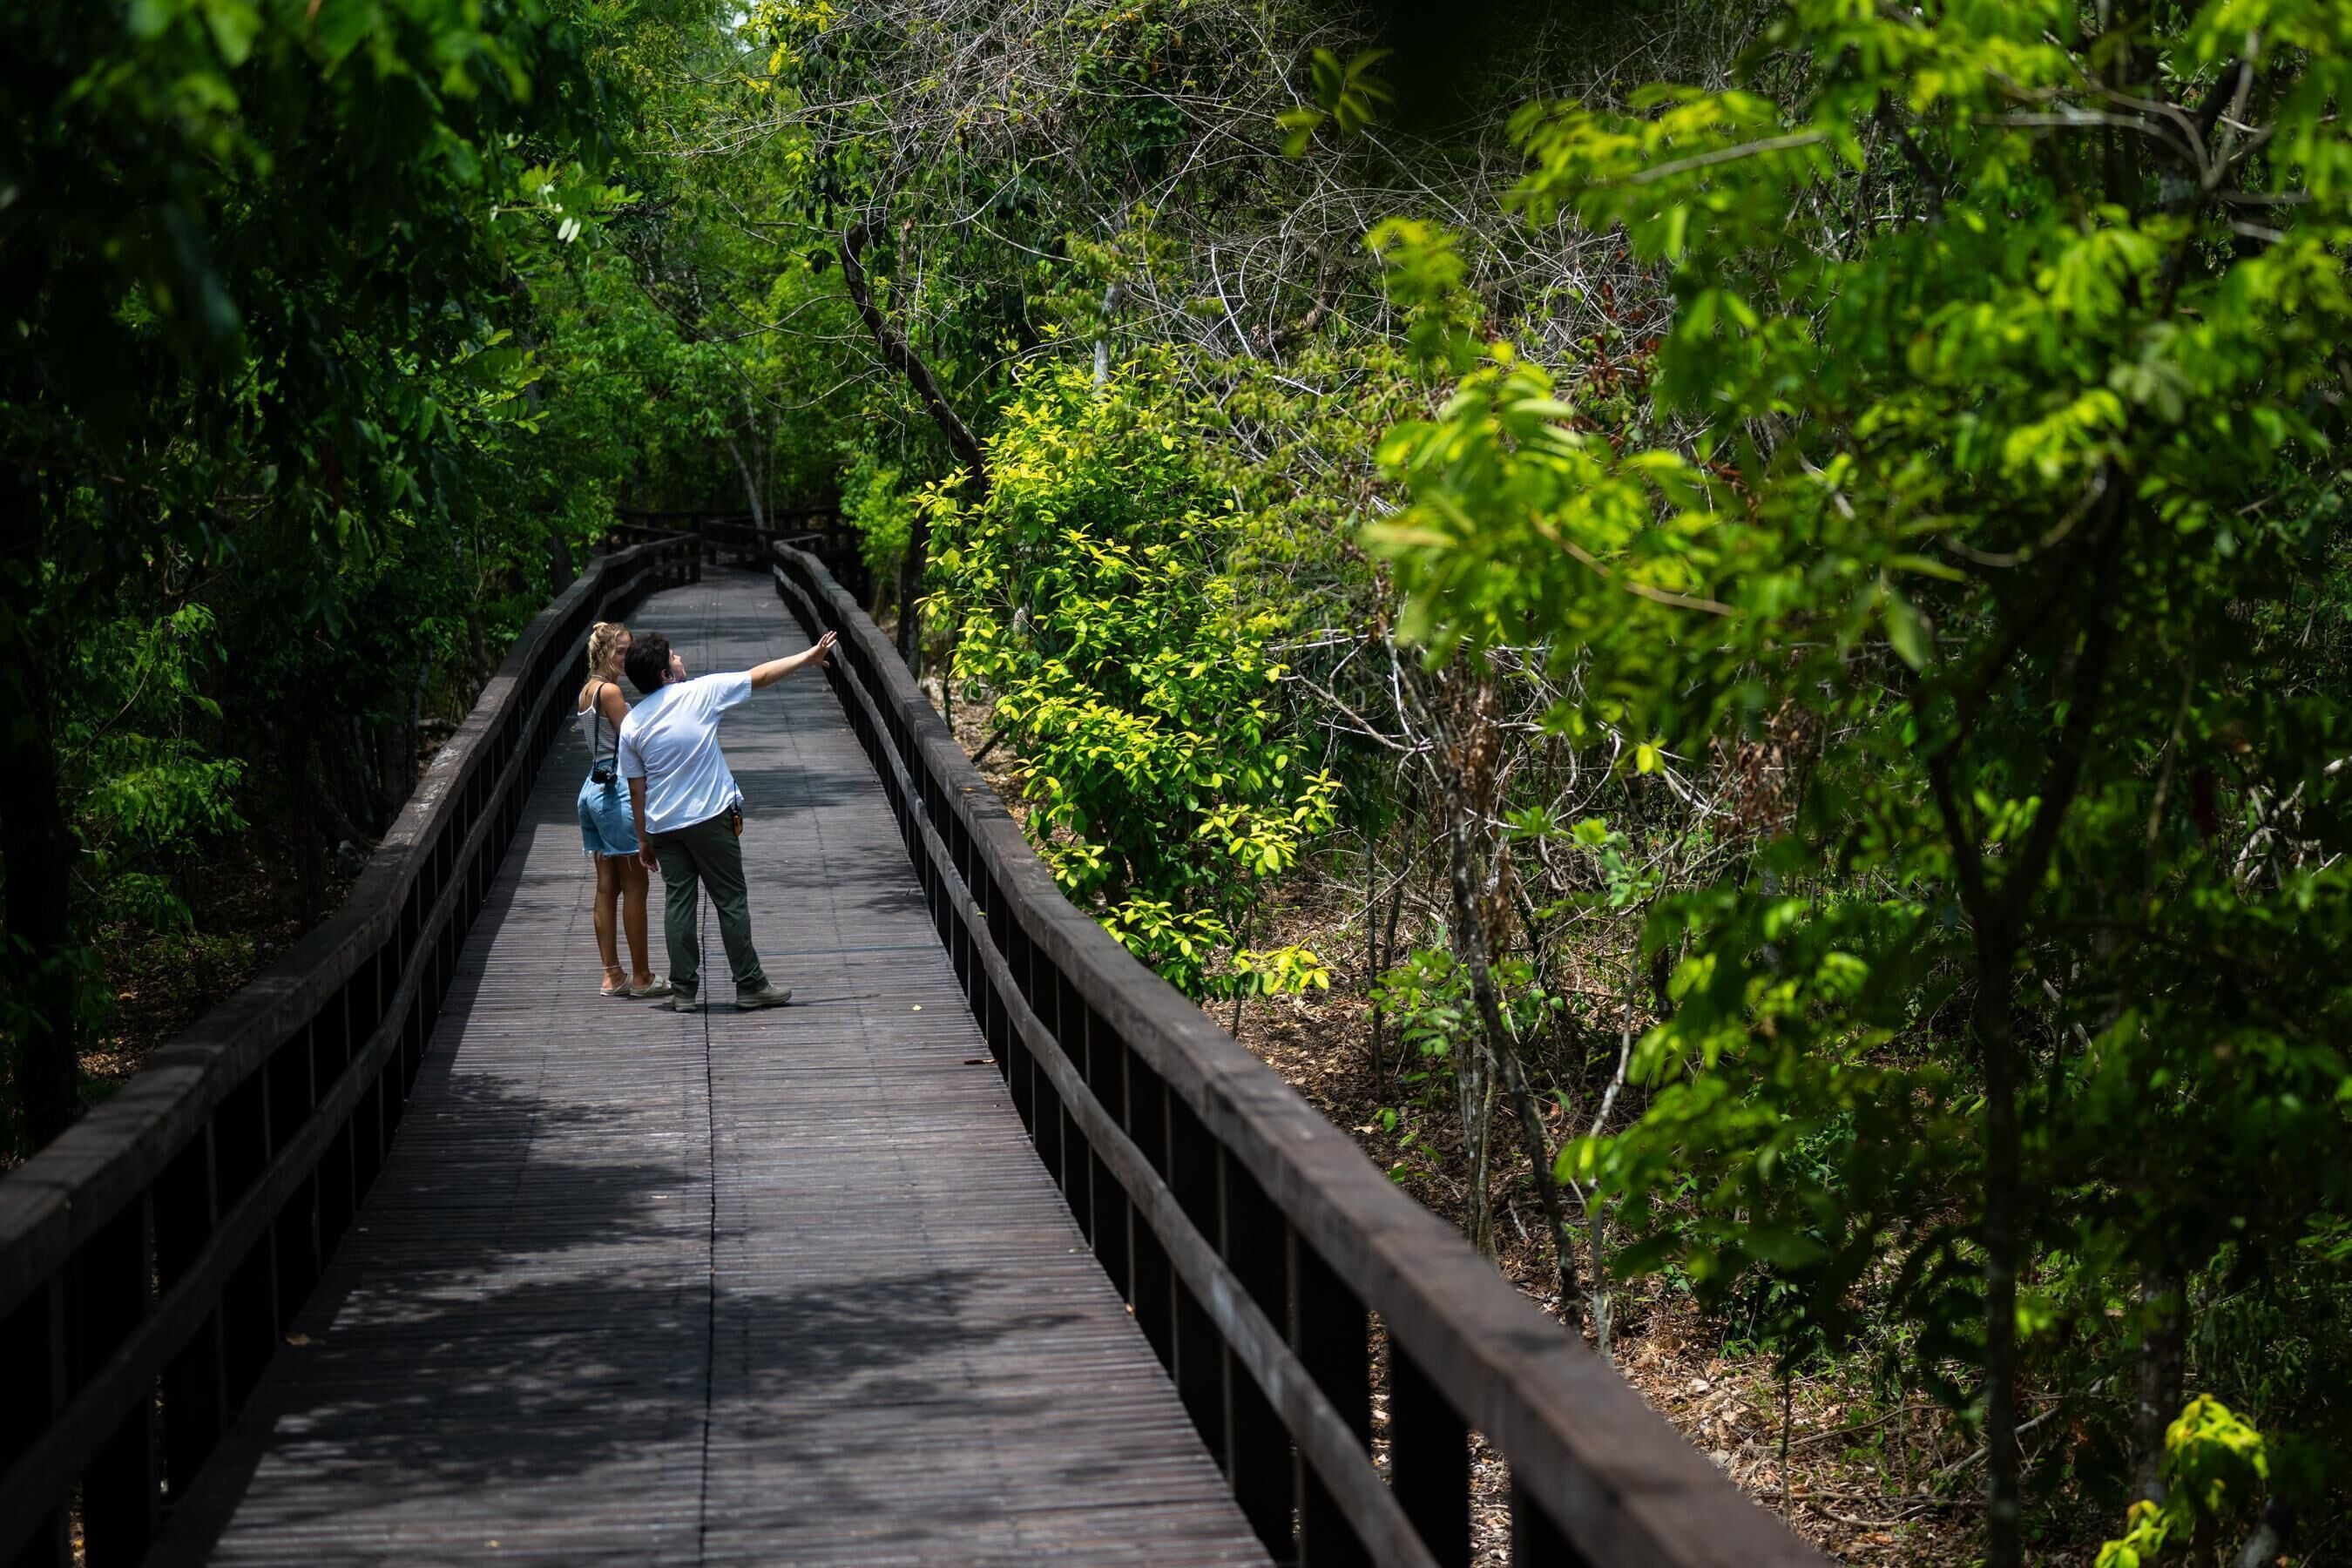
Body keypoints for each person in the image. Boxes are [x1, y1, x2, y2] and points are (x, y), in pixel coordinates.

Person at [618, 625, 839, 1011]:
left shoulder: (633, 724)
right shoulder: (698, 693)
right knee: (730, 899)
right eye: (674, 657)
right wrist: (808, 657)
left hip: (663, 826)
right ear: (665, 675)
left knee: (678, 903)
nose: (680, 659)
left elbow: (637, 789)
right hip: (708, 817)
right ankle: (750, 984)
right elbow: (761, 675)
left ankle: (684, 990)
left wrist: (643, 839)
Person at [576, 622, 668, 999]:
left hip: (591, 791)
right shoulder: (611, 691)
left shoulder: (588, 690)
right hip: (614, 793)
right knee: (635, 886)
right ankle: (643, 977)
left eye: (629, 651)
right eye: (620, 652)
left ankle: (613, 975)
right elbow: (633, 738)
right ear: (603, 653)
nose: (627, 658)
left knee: (606, 887)